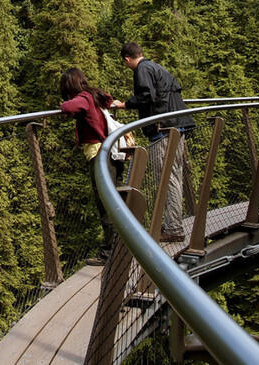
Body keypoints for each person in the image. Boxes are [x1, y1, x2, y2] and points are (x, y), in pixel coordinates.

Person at [109, 42, 193, 242]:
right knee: (174, 176)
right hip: (176, 127)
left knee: (165, 178)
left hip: (162, 130)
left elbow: (147, 95)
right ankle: (173, 224)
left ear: (127, 59)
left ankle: (173, 228)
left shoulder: (142, 69)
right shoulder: (156, 67)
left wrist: (125, 104)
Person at [59, 68, 125, 266]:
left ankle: (109, 253)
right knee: (116, 200)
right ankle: (121, 248)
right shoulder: (95, 95)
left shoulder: (84, 98)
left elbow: (68, 108)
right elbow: (108, 99)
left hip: (100, 154)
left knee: (105, 203)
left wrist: (63, 104)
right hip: (112, 152)